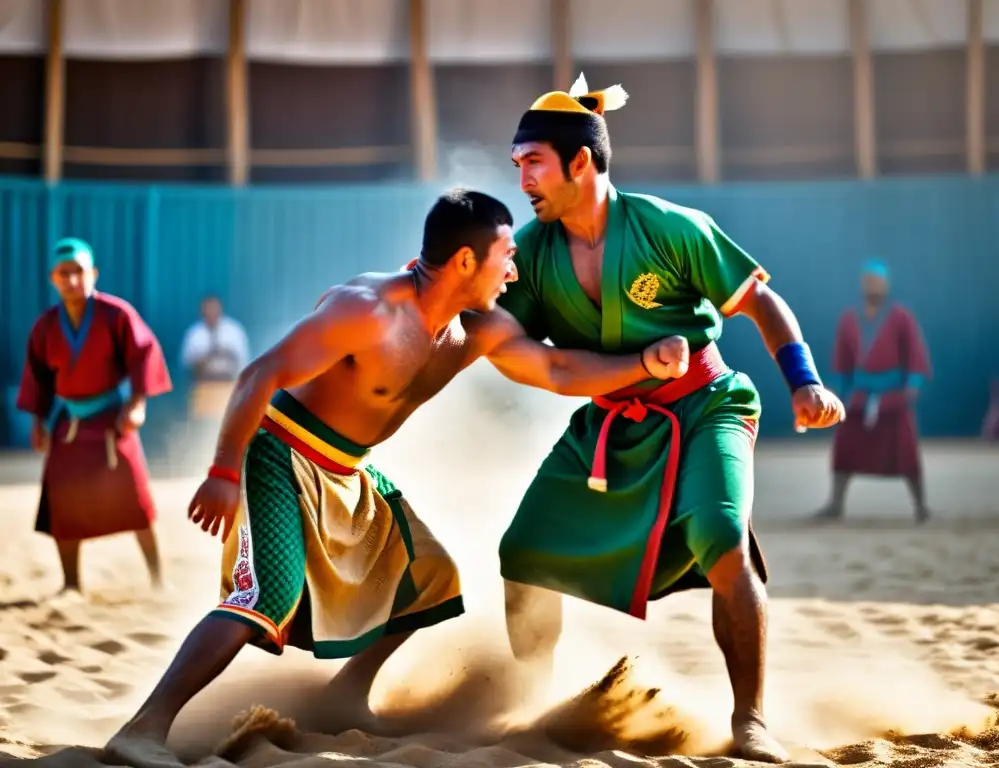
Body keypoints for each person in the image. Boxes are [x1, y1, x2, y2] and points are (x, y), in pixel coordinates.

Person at [103, 189, 690, 768]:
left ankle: (347, 693)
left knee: (431, 575)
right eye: (506, 255)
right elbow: (262, 372)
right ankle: (143, 727)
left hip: (349, 469)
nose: (513, 270)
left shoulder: (476, 329)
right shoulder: (367, 309)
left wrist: (642, 364)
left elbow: (557, 367)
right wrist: (224, 470)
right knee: (265, 597)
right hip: (279, 454)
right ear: (466, 261)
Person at [495, 74, 846, 763]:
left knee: (720, 536)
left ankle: (751, 719)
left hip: (705, 404)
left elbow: (760, 303)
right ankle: (533, 700)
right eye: (517, 164)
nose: (523, 177)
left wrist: (804, 383)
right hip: (610, 421)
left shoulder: (669, 227)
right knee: (522, 553)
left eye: (533, 161)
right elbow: (505, 340)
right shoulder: (531, 254)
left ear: (581, 162)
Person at [16, 237, 173, 594]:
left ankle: (158, 580)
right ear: (52, 279)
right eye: (63, 273)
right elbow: (37, 376)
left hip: (112, 421)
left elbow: (143, 355)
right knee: (63, 503)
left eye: (78, 271)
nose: (71, 280)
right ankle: (71, 584)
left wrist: (137, 403)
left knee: (134, 499)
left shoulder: (116, 314)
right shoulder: (45, 327)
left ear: (94, 273)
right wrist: (38, 421)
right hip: (68, 425)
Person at [814, 259, 932, 523]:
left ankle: (921, 506)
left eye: (878, 282)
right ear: (862, 285)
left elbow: (914, 353)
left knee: (906, 451)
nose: (873, 287)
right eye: (868, 282)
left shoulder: (901, 317)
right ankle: (835, 504)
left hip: (892, 397)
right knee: (845, 447)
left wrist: (913, 383)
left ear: (886, 286)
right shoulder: (849, 319)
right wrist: (835, 390)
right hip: (858, 396)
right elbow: (842, 360)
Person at [180, 294, 250, 421]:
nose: (211, 312)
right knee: (202, 425)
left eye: (214, 308)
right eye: (207, 308)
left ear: (220, 309)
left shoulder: (234, 331)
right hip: (203, 389)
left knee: (227, 422)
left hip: (228, 389)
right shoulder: (195, 334)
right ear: (202, 311)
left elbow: (243, 362)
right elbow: (187, 363)